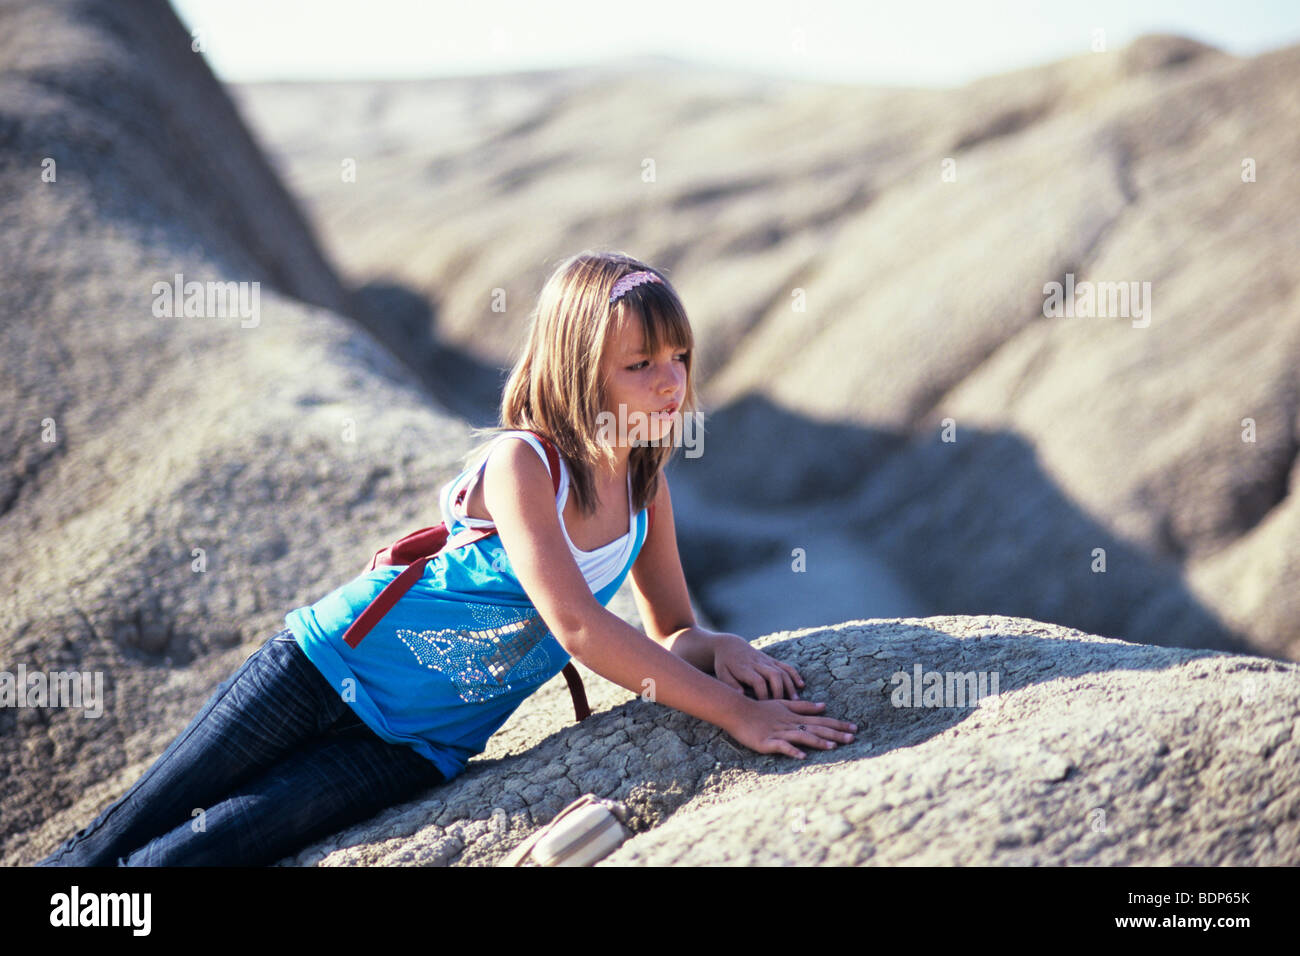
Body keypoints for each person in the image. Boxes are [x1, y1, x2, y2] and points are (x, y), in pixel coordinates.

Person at [36, 250, 857, 867]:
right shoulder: (526, 464)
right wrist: (733, 714)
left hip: (409, 750)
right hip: (320, 670)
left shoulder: (647, 487)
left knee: (184, 861)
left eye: (678, 357)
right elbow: (578, 629)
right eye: (638, 365)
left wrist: (720, 652)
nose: (669, 382)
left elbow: (670, 630)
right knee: (113, 843)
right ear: (580, 370)